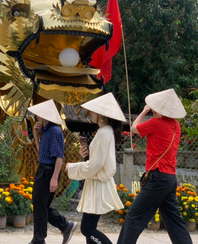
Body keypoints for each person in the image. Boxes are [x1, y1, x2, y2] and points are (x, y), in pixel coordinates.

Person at [117, 88, 192, 244]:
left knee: (134, 216)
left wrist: (144, 112)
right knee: (174, 221)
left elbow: (133, 128)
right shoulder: (176, 125)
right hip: (170, 178)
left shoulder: (156, 123)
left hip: (157, 177)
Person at [66, 93, 125, 244]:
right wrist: (86, 156)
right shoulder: (104, 132)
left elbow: (96, 165)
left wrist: (72, 167)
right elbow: (96, 162)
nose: (91, 113)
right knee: (89, 228)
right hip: (96, 184)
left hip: (98, 185)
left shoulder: (104, 133)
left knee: (87, 229)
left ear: (101, 114)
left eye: (93, 111)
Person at [27, 99, 77, 244]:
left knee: (39, 204)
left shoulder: (55, 131)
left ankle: (39, 239)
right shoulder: (46, 130)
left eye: (39, 115)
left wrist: (54, 178)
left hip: (49, 172)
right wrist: (36, 134)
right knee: (40, 205)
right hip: (43, 169)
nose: (37, 117)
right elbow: (40, 151)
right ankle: (64, 226)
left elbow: (59, 157)